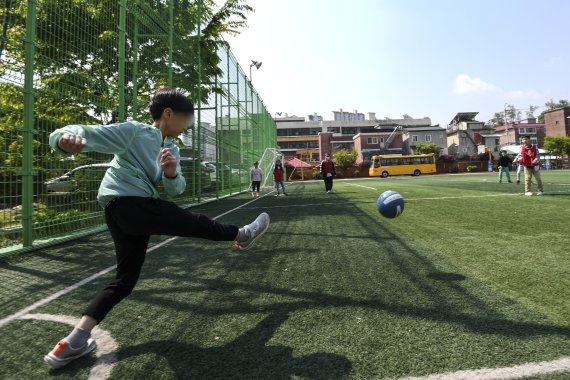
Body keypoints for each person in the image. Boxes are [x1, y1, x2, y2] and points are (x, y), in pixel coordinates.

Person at [43, 87, 270, 369]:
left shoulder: (171, 148)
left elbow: (175, 189)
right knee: (194, 222)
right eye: (187, 119)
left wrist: (172, 172)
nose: (188, 125)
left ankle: (73, 341)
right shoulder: (135, 132)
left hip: (124, 212)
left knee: (124, 282)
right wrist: (63, 139)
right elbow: (84, 131)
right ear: (168, 114)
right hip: (128, 204)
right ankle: (242, 234)